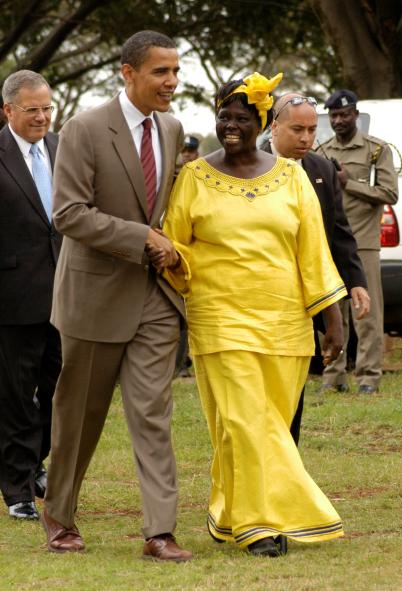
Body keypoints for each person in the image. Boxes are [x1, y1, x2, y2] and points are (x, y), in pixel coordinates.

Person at [155, 72, 347, 557]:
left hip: (285, 323)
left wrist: (332, 318)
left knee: (261, 426)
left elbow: (313, 251)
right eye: (224, 116)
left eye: (242, 117)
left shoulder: (292, 175)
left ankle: (228, 511)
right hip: (219, 318)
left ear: (261, 121)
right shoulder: (195, 177)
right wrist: (171, 257)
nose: (231, 125)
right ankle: (262, 525)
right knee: (246, 422)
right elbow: (175, 243)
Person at [41, 30, 192, 562]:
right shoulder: (82, 129)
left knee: (153, 413)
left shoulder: (172, 129)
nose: (172, 83)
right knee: (79, 417)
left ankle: (160, 531)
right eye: (160, 72)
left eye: (175, 71)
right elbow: (68, 213)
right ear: (127, 73)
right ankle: (59, 515)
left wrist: (171, 245)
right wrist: (142, 238)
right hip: (93, 298)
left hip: (154, 297)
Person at [261, 92, 370, 442]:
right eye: (297, 130)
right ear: (273, 126)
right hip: (260, 292)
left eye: (311, 130)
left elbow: (338, 231)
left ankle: (288, 459)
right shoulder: (249, 165)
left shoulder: (321, 169)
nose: (307, 138)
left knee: (295, 385)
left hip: (304, 295)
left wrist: (356, 281)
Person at [0, 70, 61, 520]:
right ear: (8, 111)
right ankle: (18, 488)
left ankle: (34, 460)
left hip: (68, 296)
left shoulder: (62, 149)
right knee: (17, 396)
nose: (41, 117)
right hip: (12, 297)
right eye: (32, 110)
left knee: (60, 390)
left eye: (46, 108)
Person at [317, 90, 398, 394]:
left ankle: (368, 377)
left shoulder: (376, 150)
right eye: (334, 116)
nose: (339, 120)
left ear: (355, 115)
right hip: (329, 243)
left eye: (344, 114)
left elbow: (390, 193)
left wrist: (349, 183)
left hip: (363, 241)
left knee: (366, 314)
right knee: (332, 310)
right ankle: (333, 376)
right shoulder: (322, 151)